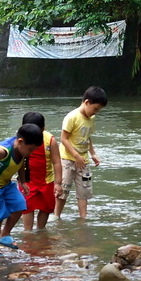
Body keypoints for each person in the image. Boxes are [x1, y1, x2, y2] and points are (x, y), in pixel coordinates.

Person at [0, 123, 43, 256]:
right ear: (20, 142)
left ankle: (5, 234)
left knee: (20, 204)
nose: (31, 153)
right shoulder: (2, 151)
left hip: (6, 184)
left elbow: (21, 162)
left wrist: (23, 181)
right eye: (31, 149)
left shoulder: (22, 149)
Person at [54, 86, 107, 220]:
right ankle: (56, 216)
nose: (96, 112)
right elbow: (63, 139)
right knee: (63, 190)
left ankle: (83, 218)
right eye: (95, 109)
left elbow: (88, 137)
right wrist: (76, 155)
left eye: (98, 110)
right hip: (67, 159)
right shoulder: (72, 117)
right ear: (87, 102)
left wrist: (93, 154)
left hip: (83, 160)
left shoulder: (91, 118)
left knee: (84, 191)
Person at [19, 112, 62, 231]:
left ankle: (40, 229)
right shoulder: (20, 140)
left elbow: (56, 162)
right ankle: (27, 231)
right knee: (27, 206)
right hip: (27, 180)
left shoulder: (50, 140)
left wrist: (58, 183)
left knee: (46, 207)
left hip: (46, 180)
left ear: (43, 129)